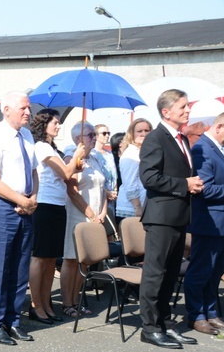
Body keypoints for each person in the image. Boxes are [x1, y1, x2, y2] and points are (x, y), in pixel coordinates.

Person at [138, 89, 203, 349]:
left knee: (171, 273)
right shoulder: (156, 138)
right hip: (161, 217)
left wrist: (191, 185)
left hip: (178, 216)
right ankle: (150, 328)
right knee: (156, 273)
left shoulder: (181, 139)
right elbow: (149, 178)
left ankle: (164, 323)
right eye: (183, 107)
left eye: (188, 106)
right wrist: (183, 184)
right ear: (166, 112)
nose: (188, 111)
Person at [0, 91, 38, 345]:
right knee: (0, 268)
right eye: (23, 108)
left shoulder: (27, 135)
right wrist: (20, 200)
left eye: (29, 108)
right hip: (4, 207)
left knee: (20, 267)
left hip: (26, 206)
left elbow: (33, 172)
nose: (28, 112)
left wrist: (32, 198)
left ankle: (13, 320)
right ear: (6, 110)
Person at [28, 109, 83, 324]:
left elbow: (68, 175)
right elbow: (65, 173)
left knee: (51, 259)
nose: (59, 126)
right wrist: (76, 157)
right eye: (55, 122)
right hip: (44, 204)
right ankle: (36, 304)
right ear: (44, 124)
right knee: (40, 256)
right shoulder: (41, 147)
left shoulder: (53, 148)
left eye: (59, 123)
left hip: (57, 205)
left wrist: (77, 163)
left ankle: (47, 301)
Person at [184, 112, 224, 335]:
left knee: (216, 271)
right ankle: (196, 315)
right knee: (201, 270)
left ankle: (211, 312)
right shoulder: (202, 149)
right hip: (210, 222)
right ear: (220, 126)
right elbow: (205, 189)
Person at [59, 121, 106, 318]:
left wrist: (102, 212)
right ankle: (67, 302)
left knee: (84, 261)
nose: (94, 138)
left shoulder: (95, 158)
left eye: (95, 134)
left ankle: (76, 299)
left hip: (95, 214)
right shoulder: (72, 157)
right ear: (79, 139)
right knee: (71, 260)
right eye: (90, 135)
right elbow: (72, 191)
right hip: (78, 214)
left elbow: (103, 188)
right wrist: (91, 214)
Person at [116, 119, 152, 219]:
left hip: (146, 205)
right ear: (132, 134)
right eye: (139, 131)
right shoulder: (131, 154)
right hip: (132, 209)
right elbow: (129, 183)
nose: (143, 134)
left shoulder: (145, 152)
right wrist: (137, 207)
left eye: (146, 130)